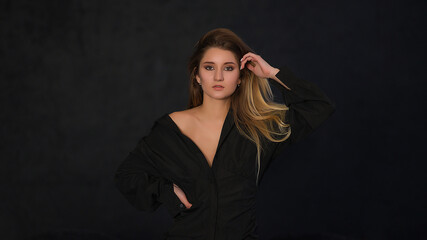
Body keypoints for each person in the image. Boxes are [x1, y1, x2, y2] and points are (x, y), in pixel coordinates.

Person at [114, 28, 335, 240]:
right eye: (209, 67)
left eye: (228, 68)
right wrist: (164, 190)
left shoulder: (260, 130)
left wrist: (271, 73)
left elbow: (318, 106)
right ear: (197, 76)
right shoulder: (172, 127)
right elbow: (127, 175)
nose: (218, 76)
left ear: (240, 76)